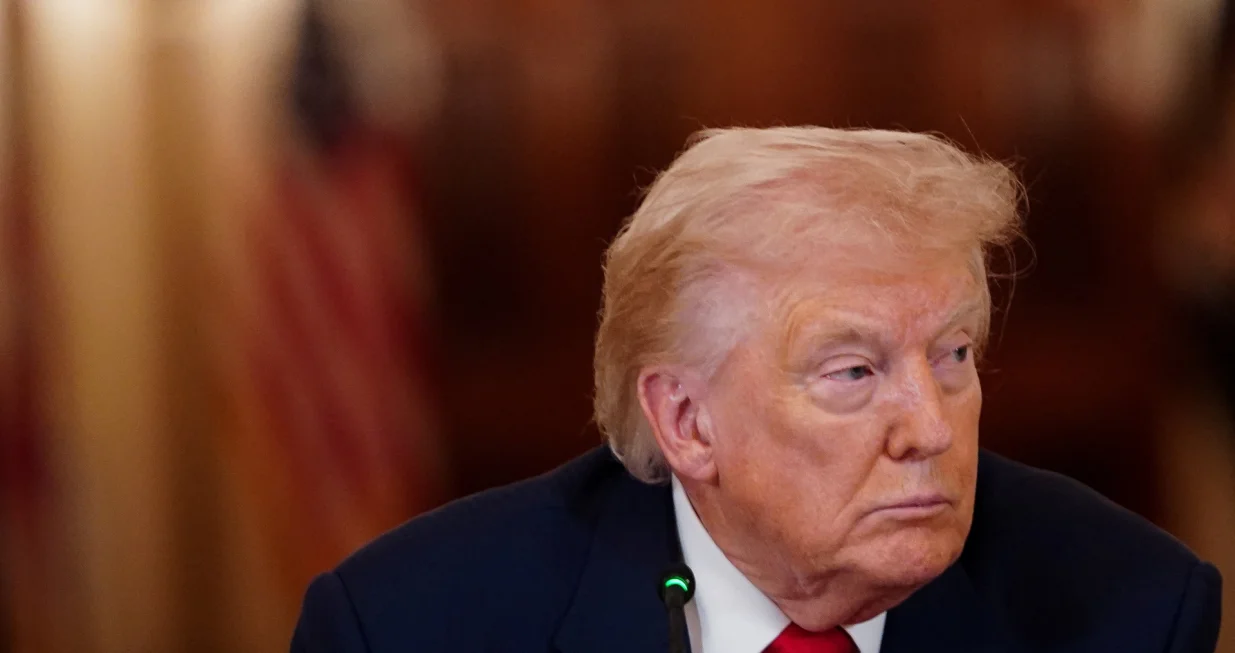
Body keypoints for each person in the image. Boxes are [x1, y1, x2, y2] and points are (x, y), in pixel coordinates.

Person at [290, 127, 1223, 653]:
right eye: (853, 371)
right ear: (687, 421)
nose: (931, 427)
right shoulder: (409, 625)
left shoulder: (1130, 610)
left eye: (952, 356)